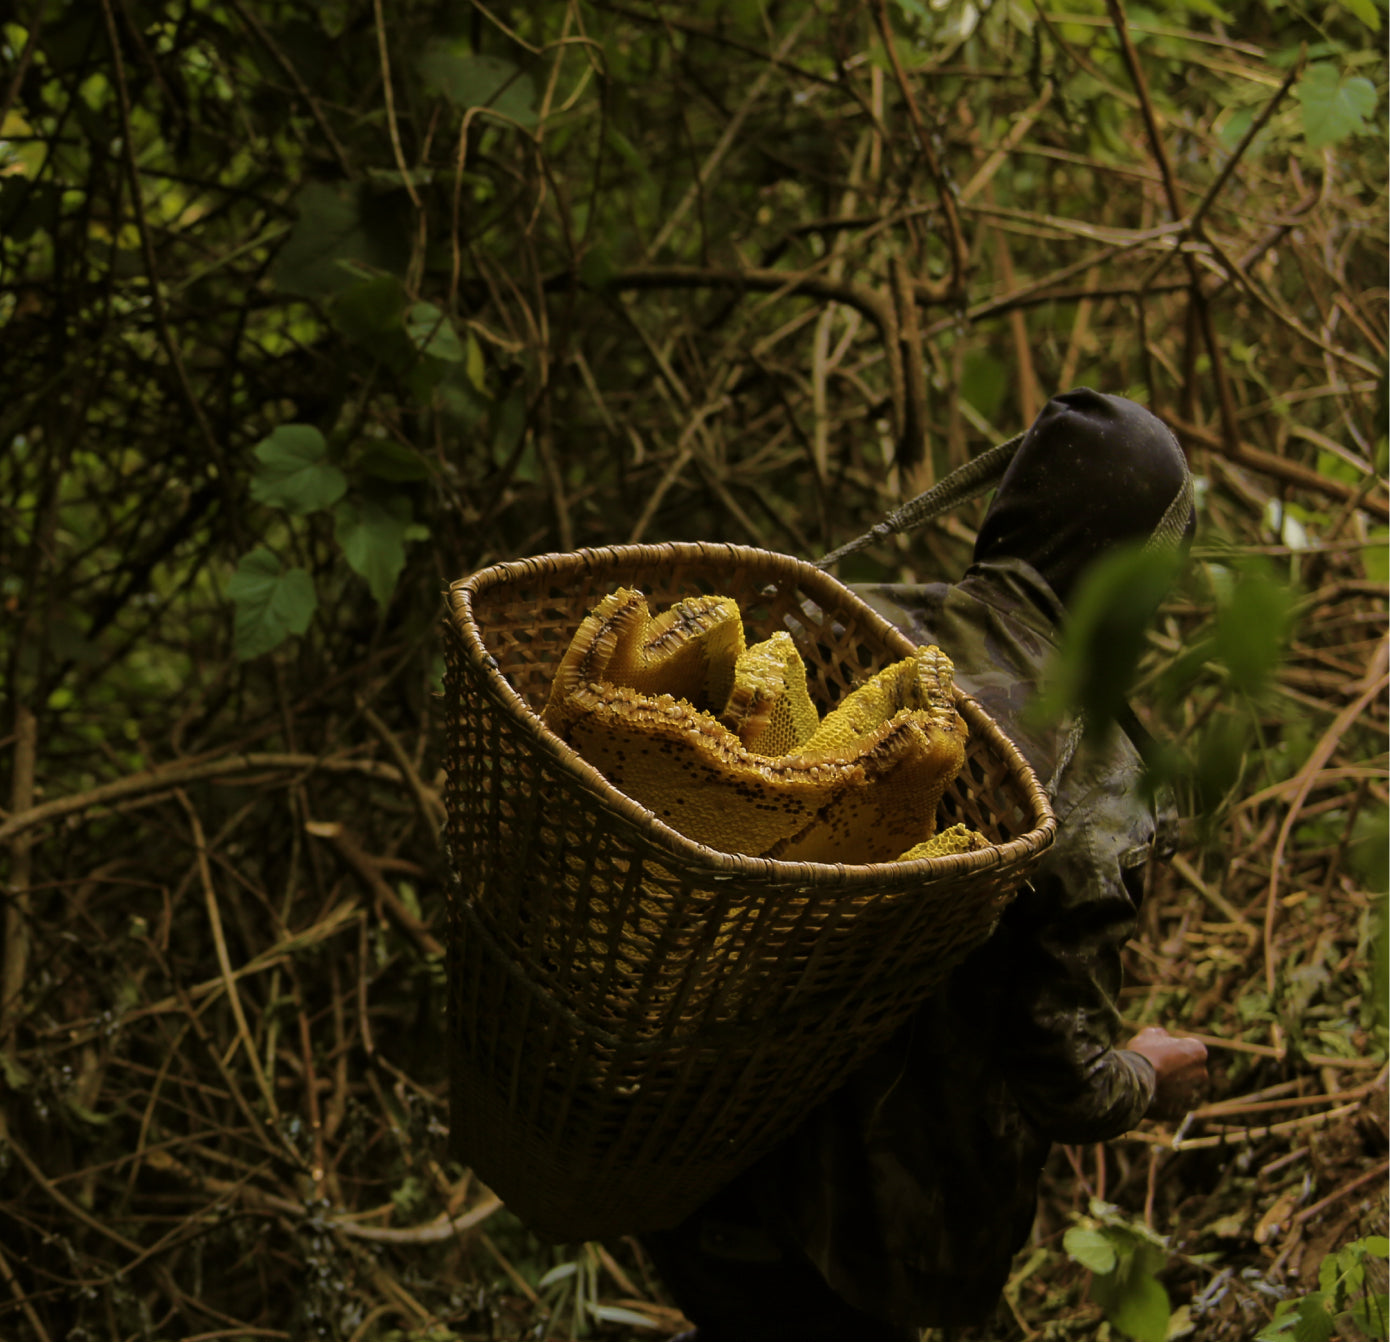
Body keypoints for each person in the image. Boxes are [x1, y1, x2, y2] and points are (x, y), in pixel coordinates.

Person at [639, 389, 1211, 1340]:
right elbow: (1062, 1074)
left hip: (695, 1170)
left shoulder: (842, 624)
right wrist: (1147, 1075)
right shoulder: (1101, 773)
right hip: (860, 1254)